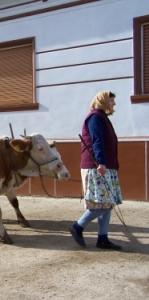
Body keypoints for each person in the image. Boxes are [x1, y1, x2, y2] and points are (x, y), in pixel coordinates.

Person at [69, 91, 123, 250]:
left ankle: (103, 238)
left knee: (107, 203)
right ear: (104, 102)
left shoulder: (101, 117)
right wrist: (101, 162)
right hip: (97, 166)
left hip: (104, 165)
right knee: (103, 204)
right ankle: (78, 227)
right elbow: (97, 141)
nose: (114, 104)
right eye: (111, 101)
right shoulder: (95, 118)